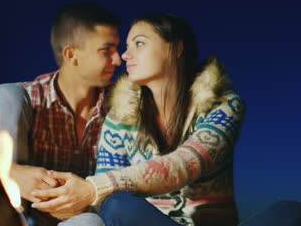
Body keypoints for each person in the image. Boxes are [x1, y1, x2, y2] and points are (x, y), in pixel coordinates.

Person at [30, 12, 246, 226]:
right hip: (141, 220)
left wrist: (92, 188)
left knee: (281, 210)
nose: (125, 55)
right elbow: (102, 201)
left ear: (176, 48)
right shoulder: (120, 119)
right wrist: (62, 199)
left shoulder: (222, 105)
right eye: (127, 46)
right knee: (100, 214)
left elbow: (186, 163)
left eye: (139, 43)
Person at [0, 2, 122, 225]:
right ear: (71, 54)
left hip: (80, 216)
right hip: (14, 214)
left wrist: (81, 203)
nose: (118, 59)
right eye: (107, 50)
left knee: (90, 223)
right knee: (7, 95)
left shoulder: (121, 106)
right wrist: (8, 171)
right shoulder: (29, 100)